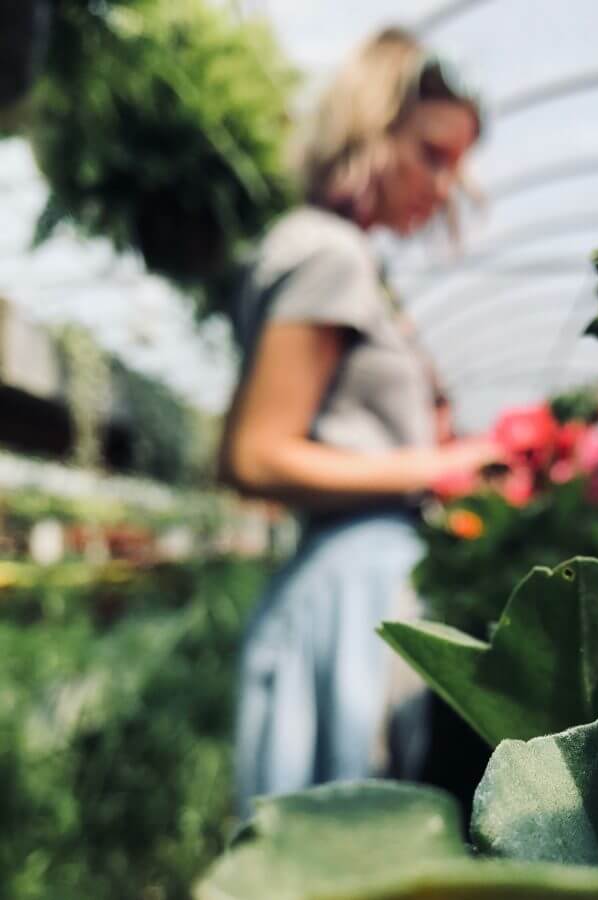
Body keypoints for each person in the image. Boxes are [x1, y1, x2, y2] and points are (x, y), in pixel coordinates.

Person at [219, 27, 496, 817]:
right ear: (371, 130)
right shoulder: (330, 254)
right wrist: (443, 466)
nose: (444, 185)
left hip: (355, 581)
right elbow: (255, 455)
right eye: (431, 155)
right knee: (358, 833)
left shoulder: (338, 255)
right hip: (353, 589)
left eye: (457, 164)